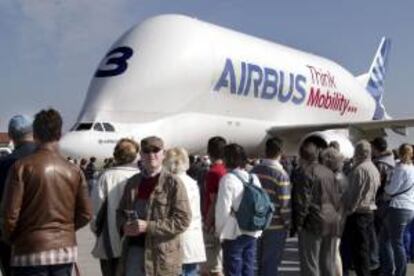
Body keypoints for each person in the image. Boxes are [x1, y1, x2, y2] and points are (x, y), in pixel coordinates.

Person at [2, 108, 92, 276]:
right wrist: (65, 230)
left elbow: (10, 216)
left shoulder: (21, 167)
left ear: (35, 135)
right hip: (64, 252)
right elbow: (86, 214)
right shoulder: (74, 170)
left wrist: (12, 239)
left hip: (29, 251)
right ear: (59, 135)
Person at [117, 136, 191, 276]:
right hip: (134, 253)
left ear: (163, 154)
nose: (151, 155)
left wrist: (149, 226)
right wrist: (123, 226)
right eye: (146, 151)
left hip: (162, 258)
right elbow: (120, 212)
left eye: (156, 150)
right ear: (141, 155)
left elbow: (183, 220)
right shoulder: (133, 182)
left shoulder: (173, 183)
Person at [91, 138, 140, 276]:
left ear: (115, 155)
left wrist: (97, 231)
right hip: (136, 241)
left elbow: (95, 211)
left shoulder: (106, 177)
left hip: (110, 242)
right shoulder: (141, 176)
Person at [292, 140, 341, 276]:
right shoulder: (328, 172)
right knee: (327, 264)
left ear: (301, 156)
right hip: (331, 221)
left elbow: (302, 203)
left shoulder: (305, 172)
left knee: (310, 265)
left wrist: (298, 225)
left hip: (313, 223)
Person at [215, 143, 262, 276]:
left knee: (233, 269)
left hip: (234, 232)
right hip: (253, 229)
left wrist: (220, 232)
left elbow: (222, 209)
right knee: (248, 267)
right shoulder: (253, 177)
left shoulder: (227, 179)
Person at [0, 115, 37, 276]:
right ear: (33, 133)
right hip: (49, 241)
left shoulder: (5, 164)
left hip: (13, 240)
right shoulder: (53, 161)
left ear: (11, 136)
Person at [163, 147, 207, 276]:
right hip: (192, 236)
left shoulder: (170, 183)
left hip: (175, 237)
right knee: (190, 271)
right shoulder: (192, 183)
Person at [251, 137, 291, 276]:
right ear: (280, 152)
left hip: (256, 222)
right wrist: (288, 224)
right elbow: (284, 204)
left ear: (265, 151)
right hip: (275, 226)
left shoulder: (254, 170)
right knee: (271, 264)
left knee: (258, 262)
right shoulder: (281, 174)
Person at [344, 140, 380, 276]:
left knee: (360, 251)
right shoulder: (373, 168)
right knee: (367, 248)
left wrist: (349, 210)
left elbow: (354, 194)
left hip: (358, 213)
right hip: (370, 211)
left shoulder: (359, 170)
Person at [380, 143, 414, 276]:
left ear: (399, 153)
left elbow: (391, 189)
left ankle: (398, 272)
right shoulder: (412, 168)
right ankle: (391, 270)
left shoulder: (401, 169)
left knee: (394, 241)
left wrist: (387, 185)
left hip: (398, 208)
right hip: (409, 207)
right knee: (387, 239)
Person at [320, 147, 348, 276]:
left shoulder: (333, 178)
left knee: (331, 254)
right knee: (334, 252)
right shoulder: (340, 176)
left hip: (332, 220)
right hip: (338, 219)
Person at [370, 137, 395, 274]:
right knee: (386, 239)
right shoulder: (392, 161)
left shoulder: (380, 164)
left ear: (376, 148)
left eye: (372, 148)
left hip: (379, 203)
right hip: (388, 203)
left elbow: (376, 185)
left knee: (379, 238)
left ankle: (380, 267)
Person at [203, 136, 227, 276]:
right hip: (225, 221)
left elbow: (214, 200)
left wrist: (207, 222)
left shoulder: (213, 173)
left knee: (211, 266)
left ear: (209, 152)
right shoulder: (226, 170)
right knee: (219, 262)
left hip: (213, 223)